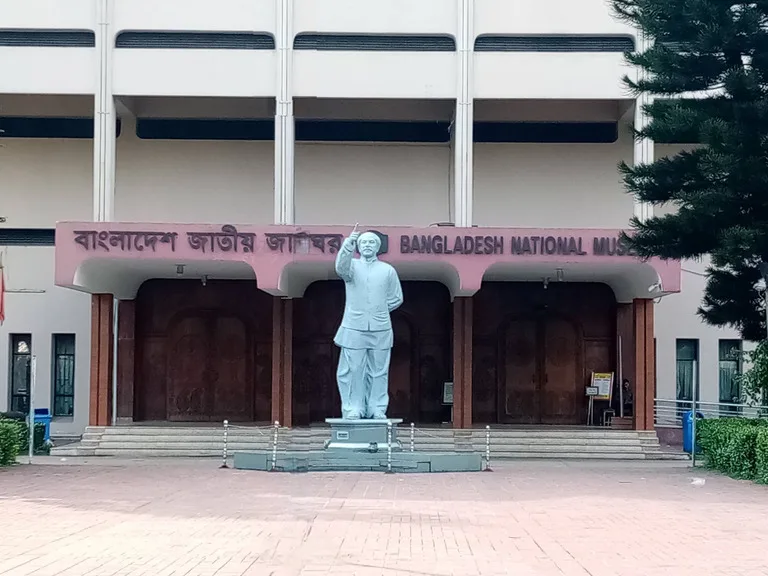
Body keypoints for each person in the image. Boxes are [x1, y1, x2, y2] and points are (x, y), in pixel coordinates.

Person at [334, 225, 403, 419]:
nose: (367, 245)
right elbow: (340, 267)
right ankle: (354, 407)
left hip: (381, 326)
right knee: (354, 370)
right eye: (363, 242)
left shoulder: (388, 270)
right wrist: (348, 244)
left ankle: (377, 408)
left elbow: (397, 297)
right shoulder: (352, 267)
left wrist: (377, 310)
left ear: (377, 247)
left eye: (371, 242)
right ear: (358, 246)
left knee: (379, 371)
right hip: (354, 326)